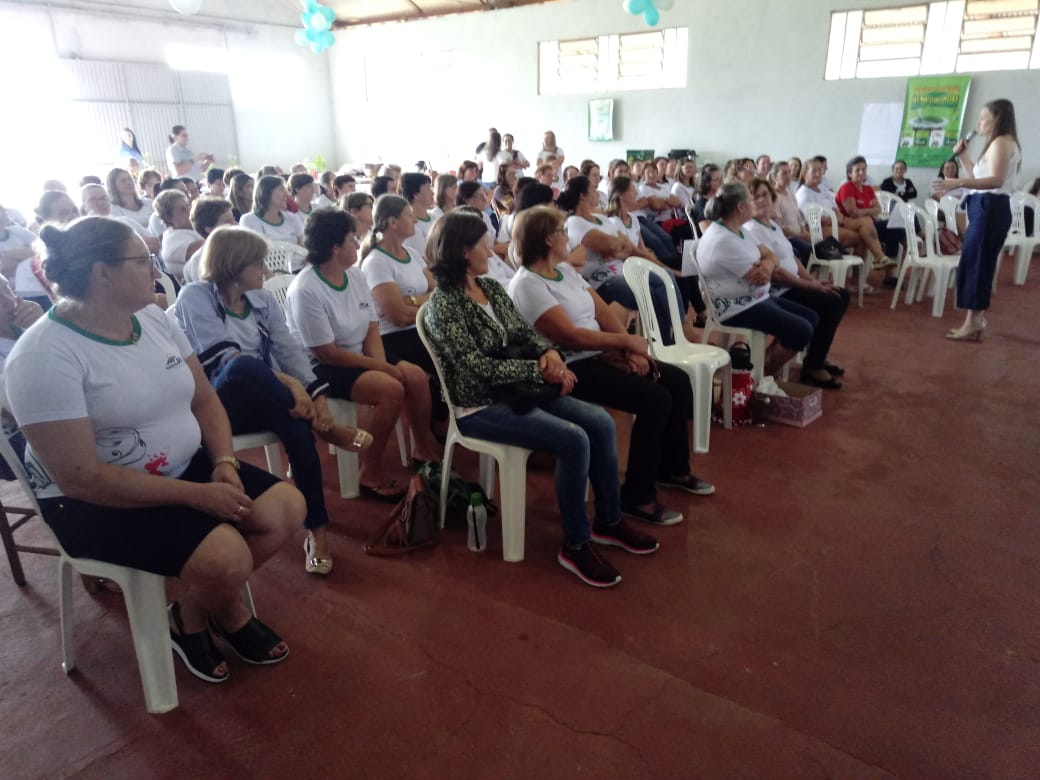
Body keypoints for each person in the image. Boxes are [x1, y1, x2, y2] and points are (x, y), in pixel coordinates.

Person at [6, 216, 302, 682]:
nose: (155, 266)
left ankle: (191, 611)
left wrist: (224, 463)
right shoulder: (43, 355)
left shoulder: (151, 318)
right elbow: (80, 478)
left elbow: (205, 399)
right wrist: (198, 496)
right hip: (96, 502)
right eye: (142, 260)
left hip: (180, 467)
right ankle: (220, 613)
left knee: (285, 508)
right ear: (102, 273)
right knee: (227, 557)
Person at [422, 210, 659, 588]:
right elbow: (475, 368)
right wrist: (539, 371)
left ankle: (609, 521)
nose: (491, 251)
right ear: (463, 251)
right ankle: (575, 543)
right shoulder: (444, 306)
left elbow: (525, 334)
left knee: (599, 422)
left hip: (519, 390)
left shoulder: (490, 289)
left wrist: (548, 354)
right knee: (573, 438)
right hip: (481, 406)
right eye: (483, 244)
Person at [173, 226, 372, 575]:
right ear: (234, 265)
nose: (266, 271)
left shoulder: (262, 299)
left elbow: (287, 348)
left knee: (296, 429)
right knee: (243, 365)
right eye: (258, 264)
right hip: (217, 404)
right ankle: (326, 430)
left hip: (265, 396)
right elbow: (222, 356)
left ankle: (317, 531)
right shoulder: (195, 296)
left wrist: (316, 397)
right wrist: (293, 386)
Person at [509, 205, 714, 524]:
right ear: (548, 240)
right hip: (568, 367)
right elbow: (569, 336)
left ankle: (672, 469)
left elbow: (602, 311)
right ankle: (637, 496)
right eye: (563, 232)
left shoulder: (564, 271)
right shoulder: (528, 284)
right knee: (654, 398)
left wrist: (631, 350)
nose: (568, 238)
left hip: (598, 353)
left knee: (675, 380)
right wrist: (624, 344)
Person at [286, 209, 443, 500]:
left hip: (358, 353)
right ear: (335, 248)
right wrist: (381, 369)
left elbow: (372, 326)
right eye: (351, 239)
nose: (358, 244)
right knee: (391, 390)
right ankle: (369, 470)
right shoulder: (306, 289)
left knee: (416, 376)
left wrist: (380, 364)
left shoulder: (354, 274)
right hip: (321, 367)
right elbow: (326, 352)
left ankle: (423, 446)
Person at [698, 182, 816, 377]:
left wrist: (768, 264)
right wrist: (769, 265)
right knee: (802, 330)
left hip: (757, 298)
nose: (754, 202)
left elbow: (770, 255)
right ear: (740, 207)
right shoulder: (723, 240)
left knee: (811, 317)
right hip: (735, 308)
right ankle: (767, 373)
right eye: (750, 199)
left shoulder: (738, 229)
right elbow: (760, 279)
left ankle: (765, 364)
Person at [744, 178, 848, 388]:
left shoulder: (773, 225)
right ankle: (813, 366)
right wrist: (810, 286)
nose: (762, 200)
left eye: (765, 194)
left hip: (791, 285)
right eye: (755, 197)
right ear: (745, 203)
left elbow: (793, 259)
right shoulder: (751, 229)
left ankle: (817, 357)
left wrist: (813, 281)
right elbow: (775, 273)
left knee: (838, 294)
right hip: (775, 290)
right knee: (831, 301)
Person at [559, 176, 687, 344]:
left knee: (665, 275)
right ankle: (664, 344)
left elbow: (626, 247)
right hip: (603, 279)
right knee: (650, 294)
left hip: (623, 268)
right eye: (592, 189)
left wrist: (616, 248)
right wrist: (616, 246)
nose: (597, 192)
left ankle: (677, 332)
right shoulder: (575, 222)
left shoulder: (602, 219)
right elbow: (612, 245)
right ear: (583, 196)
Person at [935, 99, 1021, 341]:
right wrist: (963, 156)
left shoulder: (1001, 143)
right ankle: (975, 320)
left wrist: (958, 182)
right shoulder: (996, 143)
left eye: (984, 118)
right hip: (984, 206)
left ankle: (972, 323)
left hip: (990, 208)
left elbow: (996, 181)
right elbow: (978, 175)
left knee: (978, 264)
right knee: (976, 262)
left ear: (998, 118)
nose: (979, 123)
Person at [359, 195, 437, 374]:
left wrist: (412, 300)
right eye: (409, 215)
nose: (415, 220)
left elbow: (438, 291)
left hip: (423, 328)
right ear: (393, 222)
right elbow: (399, 317)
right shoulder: (376, 262)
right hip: (396, 338)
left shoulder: (412, 253)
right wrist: (431, 305)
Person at [797, 157, 895, 272]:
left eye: (820, 170)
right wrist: (833, 219)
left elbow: (835, 209)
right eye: (814, 171)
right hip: (818, 230)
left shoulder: (823, 189)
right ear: (805, 173)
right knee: (862, 237)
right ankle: (863, 270)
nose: (818, 174)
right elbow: (809, 220)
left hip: (837, 221)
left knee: (866, 220)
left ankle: (880, 258)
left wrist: (836, 218)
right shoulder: (803, 193)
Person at [836, 155, 899, 263]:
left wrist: (864, 212)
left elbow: (878, 209)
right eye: (857, 170)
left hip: (870, 223)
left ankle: (887, 264)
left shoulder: (868, 189)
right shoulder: (847, 187)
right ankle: (882, 260)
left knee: (896, 229)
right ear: (850, 174)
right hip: (850, 223)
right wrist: (870, 212)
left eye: (864, 169)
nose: (861, 172)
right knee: (873, 223)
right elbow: (853, 213)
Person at [80, 184, 159, 252]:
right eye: (93, 199)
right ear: (84, 206)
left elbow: (155, 243)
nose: (100, 203)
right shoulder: (83, 234)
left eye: (103, 198)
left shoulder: (125, 221)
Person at [0, 204, 49, 310]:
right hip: (16, 296)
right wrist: (26, 256)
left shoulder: (18, 231)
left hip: (39, 286)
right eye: (0, 209)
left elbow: (43, 251)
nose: (4, 210)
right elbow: (3, 269)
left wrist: (7, 256)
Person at [239, 175, 304, 250]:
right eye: (281, 190)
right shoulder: (249, 220)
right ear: (266, 193)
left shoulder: (291, 218)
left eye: (286, 190)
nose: (287, 194)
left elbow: (302, 246)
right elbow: (255, 251)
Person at [182, 197, 237, 283]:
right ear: (209, 229)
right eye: (228, 221)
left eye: (233, 218)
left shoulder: (244, 245)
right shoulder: (199, 262)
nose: (235, 224)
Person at [768, 161, 813, 263]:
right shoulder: (773, 197)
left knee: (822, 246)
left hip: (798, 234)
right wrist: (799, 236)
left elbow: (798, 217)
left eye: (789, 172)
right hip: (787, 237)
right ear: (774, 177)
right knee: (810, 250)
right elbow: (777, 226)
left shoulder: (790, 193)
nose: (789, 175)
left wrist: (804, 232)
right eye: (784, 173)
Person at [153, 189, 204, 281]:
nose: (190, 211)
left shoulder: (192, 228)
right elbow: (211, 248)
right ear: (168, 217)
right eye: (183, 210)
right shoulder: (172, 240)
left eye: (188, 206)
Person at [401, 172, 435, 257]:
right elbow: (423, 259)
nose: (433, 193)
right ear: (416, 195)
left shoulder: (435, 217)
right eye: (428, 188)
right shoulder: (412, 227)